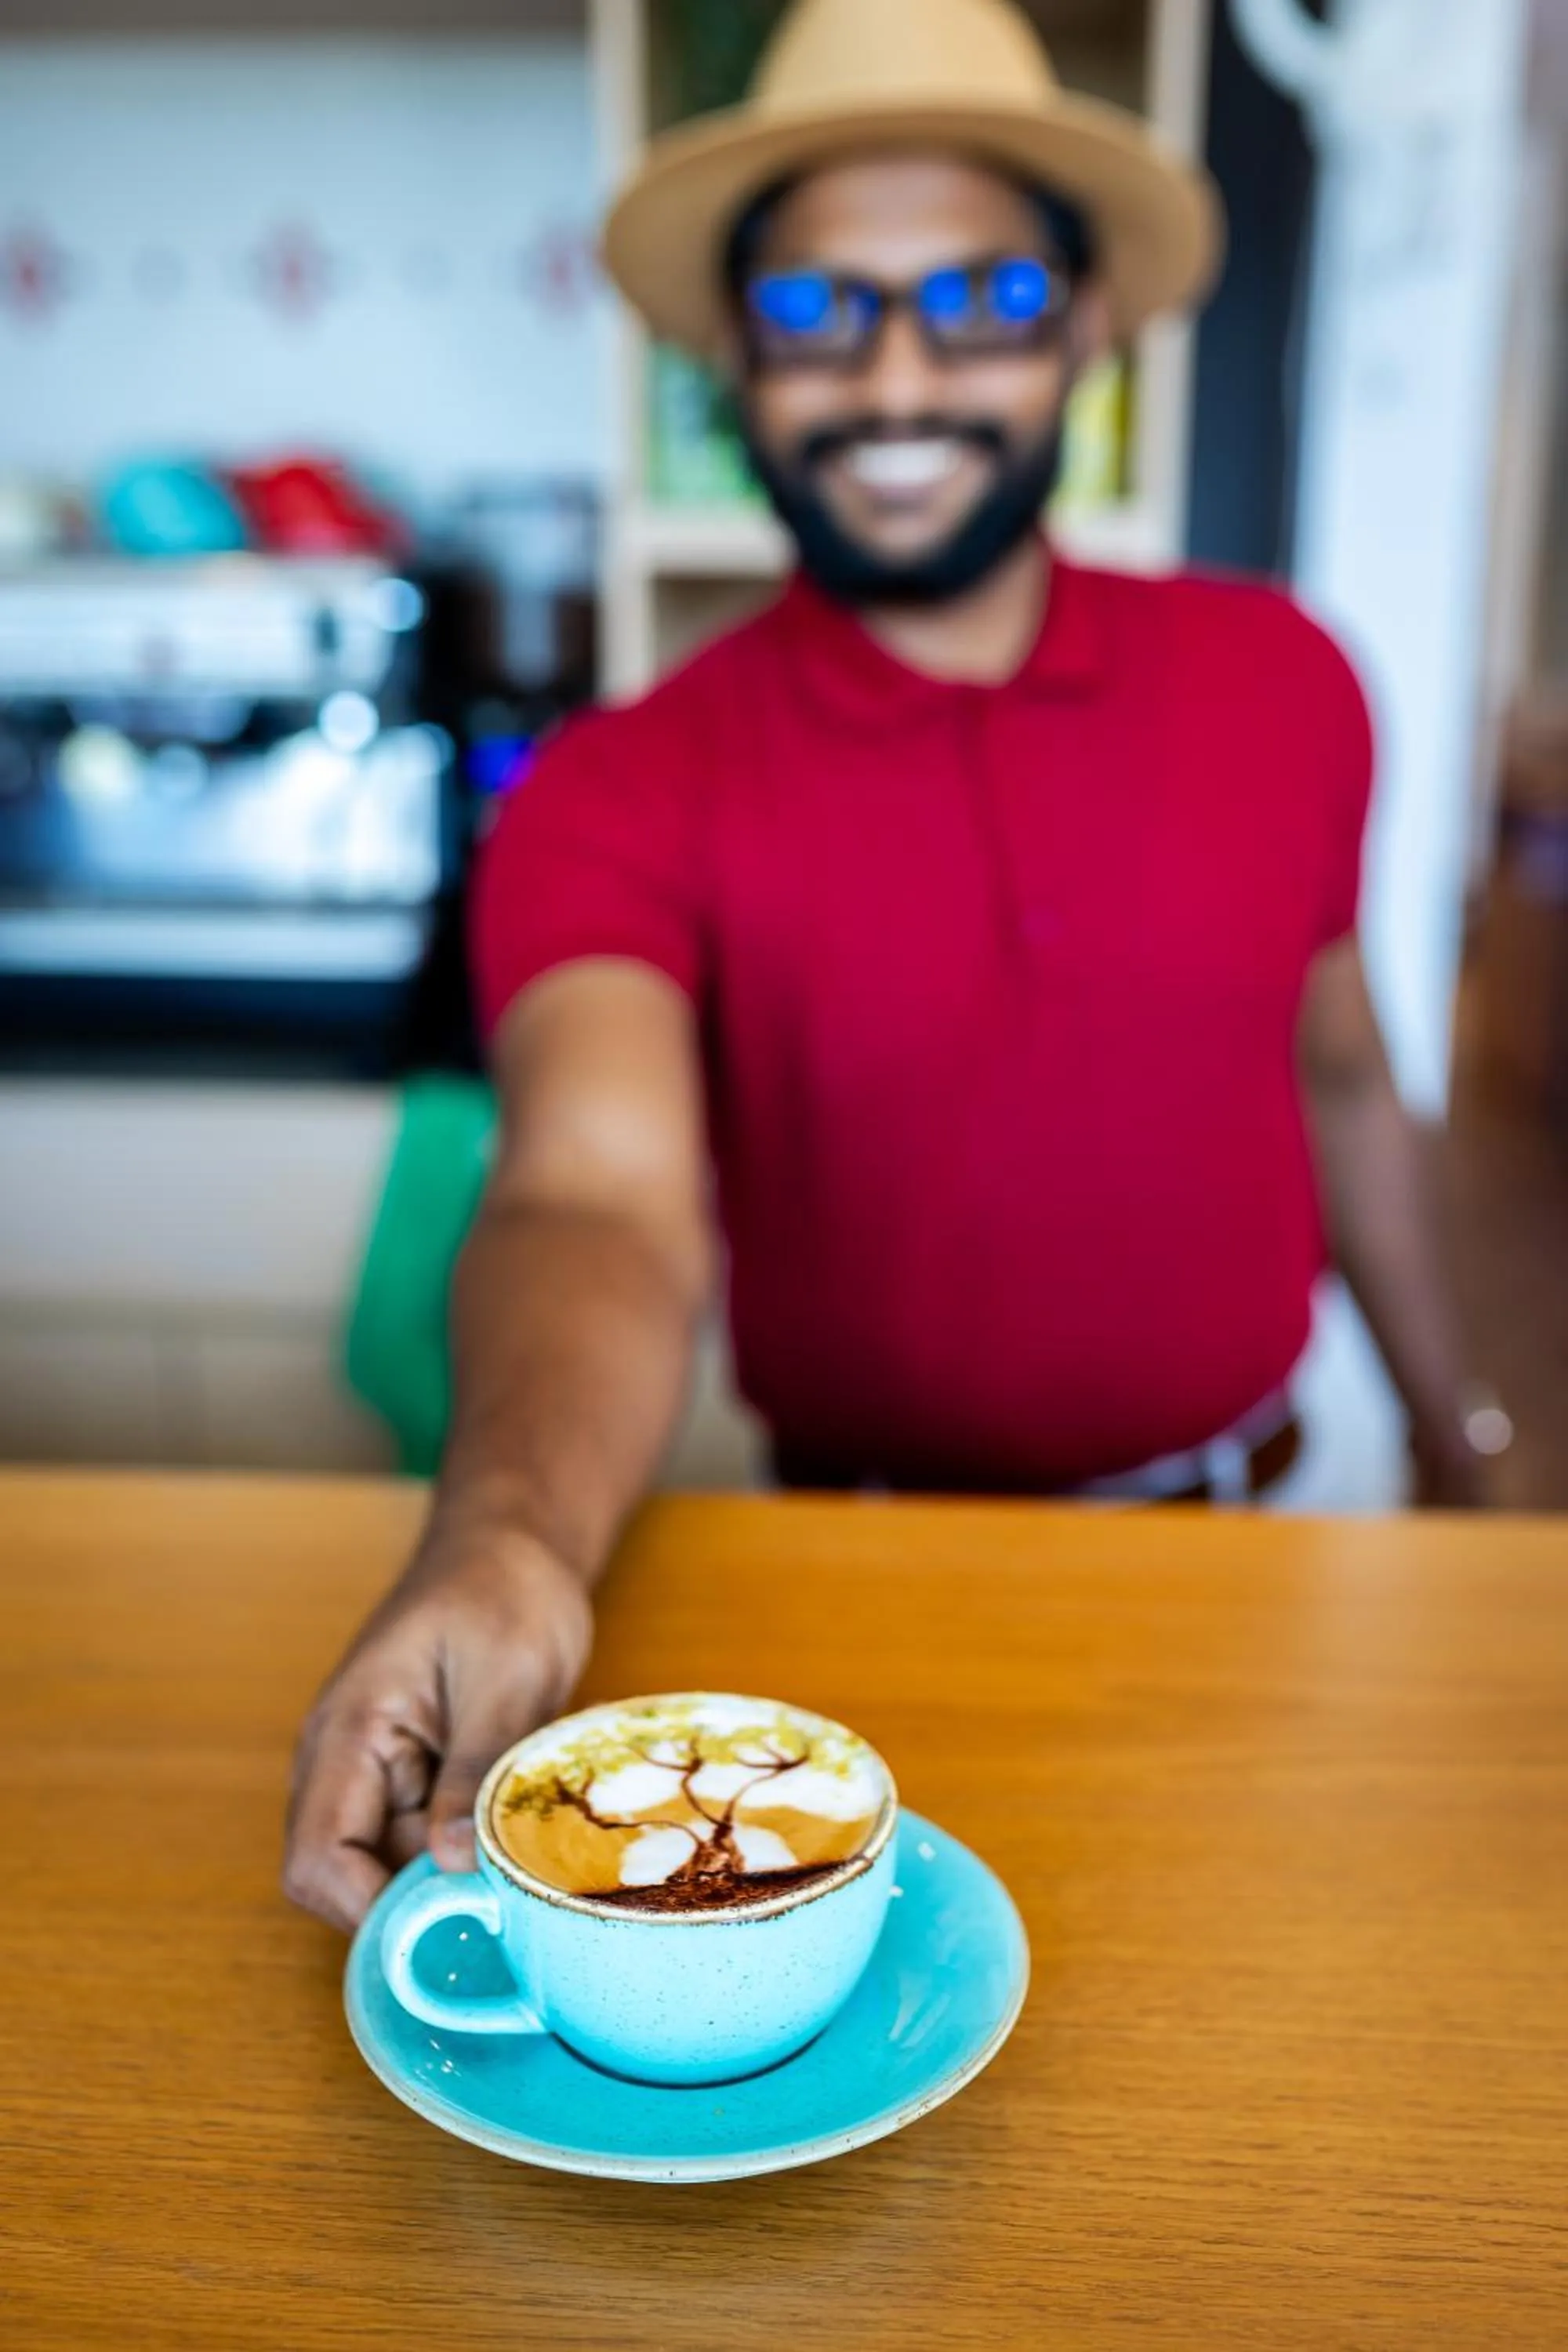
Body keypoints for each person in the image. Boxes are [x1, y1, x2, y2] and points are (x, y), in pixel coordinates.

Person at [285, 0, 1487, 1934]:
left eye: (986, 294)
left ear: (1088, 325)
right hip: (838, 1601)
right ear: (734, 358)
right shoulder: (616, 786)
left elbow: (1342, 1072)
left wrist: (1458, 1424)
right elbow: (594, 1197)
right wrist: (505, 1538)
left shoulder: (1289, 683)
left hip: (1277, 1551)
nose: (903, 376)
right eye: (824, 312)